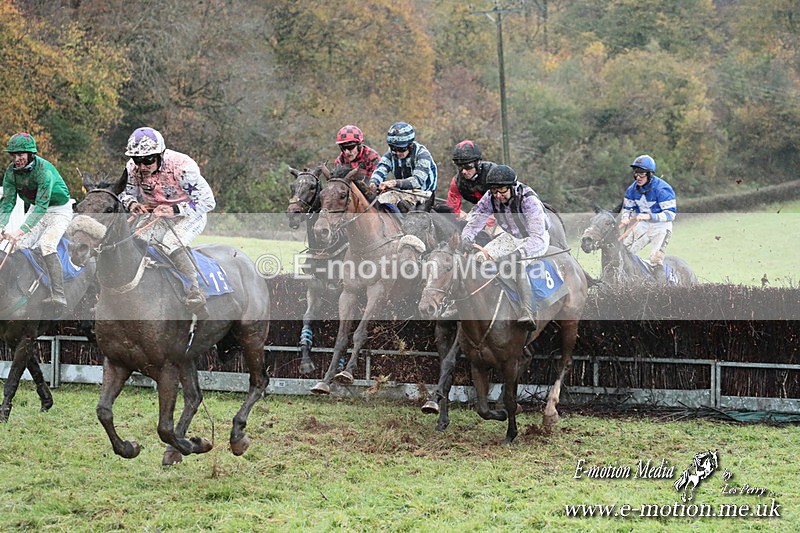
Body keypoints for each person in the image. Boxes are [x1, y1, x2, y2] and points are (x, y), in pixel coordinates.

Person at [119, 127, 216, 316]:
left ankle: (194, 290)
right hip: (157, 214)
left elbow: (208, 202)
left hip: (189, 214)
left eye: (148, 160)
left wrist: (174, 209)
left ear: (160, 155)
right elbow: (125, 193)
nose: (142, 166)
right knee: (136, 241)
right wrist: (132, 204)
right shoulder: (132, 168)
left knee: (170, 242)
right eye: (138, 160)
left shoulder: (182, 168)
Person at [459, 164, 549, 330]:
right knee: (477, 259)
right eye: (494, 191)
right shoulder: (489, 197)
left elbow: (537, 237)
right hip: (511, 237)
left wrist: (518, 253)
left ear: (511, 187)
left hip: (534, 240)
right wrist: (466, 238)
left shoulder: (529, 200)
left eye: (502, 191)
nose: (498, 196)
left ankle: (526, 311)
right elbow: (475, 222)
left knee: (516, 265)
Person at [0, 132, 73, 315]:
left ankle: (58, 293)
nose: (17, 159)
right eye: (14, 155)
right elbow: (8, 202)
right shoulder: (11, 172)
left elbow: (42, 205)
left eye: (21, 155)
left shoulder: (44, 171)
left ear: (31, 154)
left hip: (59, 210)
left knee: (46, 244)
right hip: (36, 208)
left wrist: (21, 229)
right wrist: (1, 226)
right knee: (18, 246)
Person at [619, 154, 676, 283]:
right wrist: (625, 218)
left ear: (650, 174)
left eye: (641, 174)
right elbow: (628, 208)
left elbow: (670, 214)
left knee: (655, 260)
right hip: (643, 225)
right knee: (624, 252)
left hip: (661, 227)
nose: (637, 177)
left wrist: (649, 216)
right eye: (635, 173)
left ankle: (668, 284)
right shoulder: (631, 190)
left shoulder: (663, 189)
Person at [369, 122, 437, 209]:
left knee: (403, 205)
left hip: (423, 194)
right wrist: (374, 183)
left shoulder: (422, 155)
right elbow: (380, 170)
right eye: (394, 148)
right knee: (376, 202)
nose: (397, 153)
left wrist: (393, 183)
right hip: (400, 192)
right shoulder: (390, 154)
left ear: (410, 145)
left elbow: (417, 181)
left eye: (401, 149)